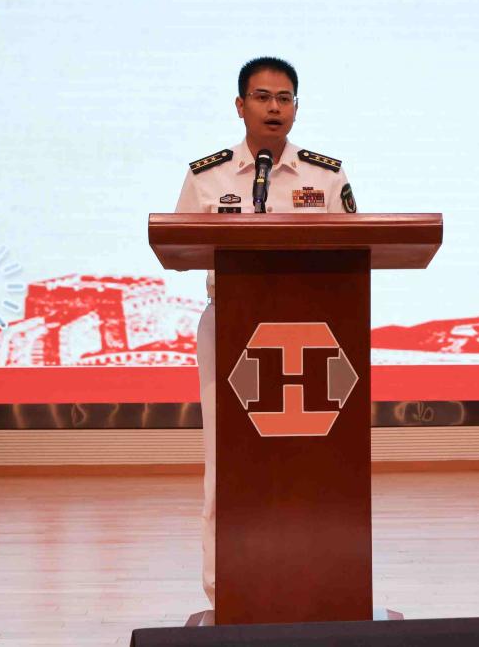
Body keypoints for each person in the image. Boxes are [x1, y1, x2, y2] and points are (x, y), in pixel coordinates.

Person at [174, 56, 357, 606]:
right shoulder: (206, 177)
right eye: (261, 97)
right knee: (225, 456)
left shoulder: (326, 175)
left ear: (296, 108)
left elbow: (357, 246)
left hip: (317, 337)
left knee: (318, 460)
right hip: (232, 328)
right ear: (240, 106)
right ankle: (225, 586)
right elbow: (178, 248)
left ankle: (324, 578)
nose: (274, 107)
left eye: (284, 98)